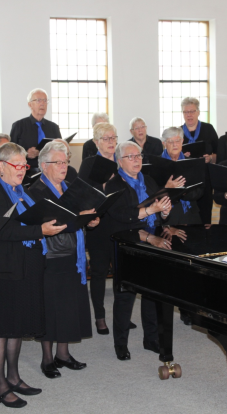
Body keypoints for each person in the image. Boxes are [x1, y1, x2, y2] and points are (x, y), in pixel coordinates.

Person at [0, 143, 66, 408]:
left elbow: (30, 219)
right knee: (1, 328)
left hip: (24, 266)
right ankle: (0, 386)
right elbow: (2, 231)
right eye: (17, 165)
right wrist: (40, 231)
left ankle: (13, 377)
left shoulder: (21, 191)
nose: (23, 170)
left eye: (25, 165)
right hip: (2, 269)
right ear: (1, 166)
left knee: (16, 325)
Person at [28, 141, 98, 378]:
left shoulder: (69, 187)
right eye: (58, 162)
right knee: (50, 308)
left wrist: (90, 220)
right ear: (43, 165)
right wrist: (79, 217)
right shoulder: (36, 191)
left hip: (73, 255)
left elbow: (76, 218)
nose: (63, 166)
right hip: (51, 256)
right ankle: (47, 359)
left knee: (69, 306)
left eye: (65, 161)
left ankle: (63, 354)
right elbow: (50, 222)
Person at [105, 141, 173, 361]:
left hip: (152, 242)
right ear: (119, 161)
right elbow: (121, 217)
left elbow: (161, 214)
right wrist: (151, 210)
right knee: (125, 296)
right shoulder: (114, 185)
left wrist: (164, 212)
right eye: (131, 157)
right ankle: (121, 343)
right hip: (127, 245)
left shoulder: (149, 180)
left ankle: (151, 339)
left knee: (152, 294)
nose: (136, 160)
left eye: (139, 156)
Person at [78, 122, 118, 335]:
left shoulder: (122, 159)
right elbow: (82, 194)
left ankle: (120, 314)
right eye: (106, 138)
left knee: (121, 272)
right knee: (100, 272)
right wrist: (103, 185)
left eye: (113, 138)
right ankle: (100, 317)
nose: (111, 142)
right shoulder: (89, 163)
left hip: (120, 223)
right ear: (96, 142)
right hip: (98, 224)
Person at [180, 97, 218, 225]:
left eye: (192, 111)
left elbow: (218, 154)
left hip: (205, 179)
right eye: (186, 112)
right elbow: (171, 157)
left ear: (198, 112)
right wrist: (182, 157)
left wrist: (210, 158)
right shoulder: (178, 132)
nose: (189, 115)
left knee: (205, 215)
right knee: (186, 216)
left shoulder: (208, 129)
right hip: (186, 180)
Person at [158, 126, 203, 226]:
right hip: (167, 215)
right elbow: (152, 193)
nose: (175, 145)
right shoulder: (156, 164)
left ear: (182, 141)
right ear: (164, 143)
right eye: (170, 141)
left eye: (178, 141)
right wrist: (167, 188)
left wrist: (183, 191)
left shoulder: (192, 163)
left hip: (190, 213)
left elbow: (200, 191)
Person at [9, 88, 62, 170]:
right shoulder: (19, 126)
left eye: (45, 101)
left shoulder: (54, 127)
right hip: (27, 169)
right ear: (30, 104)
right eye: (38, 100)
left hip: (51, 168)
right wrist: (26, 154)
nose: (42, 104)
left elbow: (60, 149)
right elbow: (11, 152)